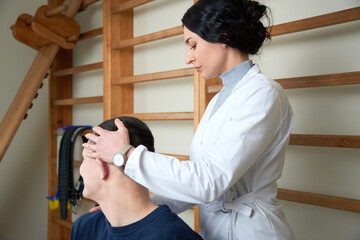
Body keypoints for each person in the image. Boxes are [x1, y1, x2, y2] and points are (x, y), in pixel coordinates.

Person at [83, 0, 296, 239]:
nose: (188, 57)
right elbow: (195, 184)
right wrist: (128, 208)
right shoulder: (220, 99)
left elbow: (208, 182)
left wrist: (125, 153)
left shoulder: (263, 93)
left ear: (223, 36)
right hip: (214, 230)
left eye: (192, 45)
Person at [71, 116, 203, 240]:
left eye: (85, 159)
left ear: (101, 167)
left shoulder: (174, 235)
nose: (81, 168)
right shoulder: (85, 225)